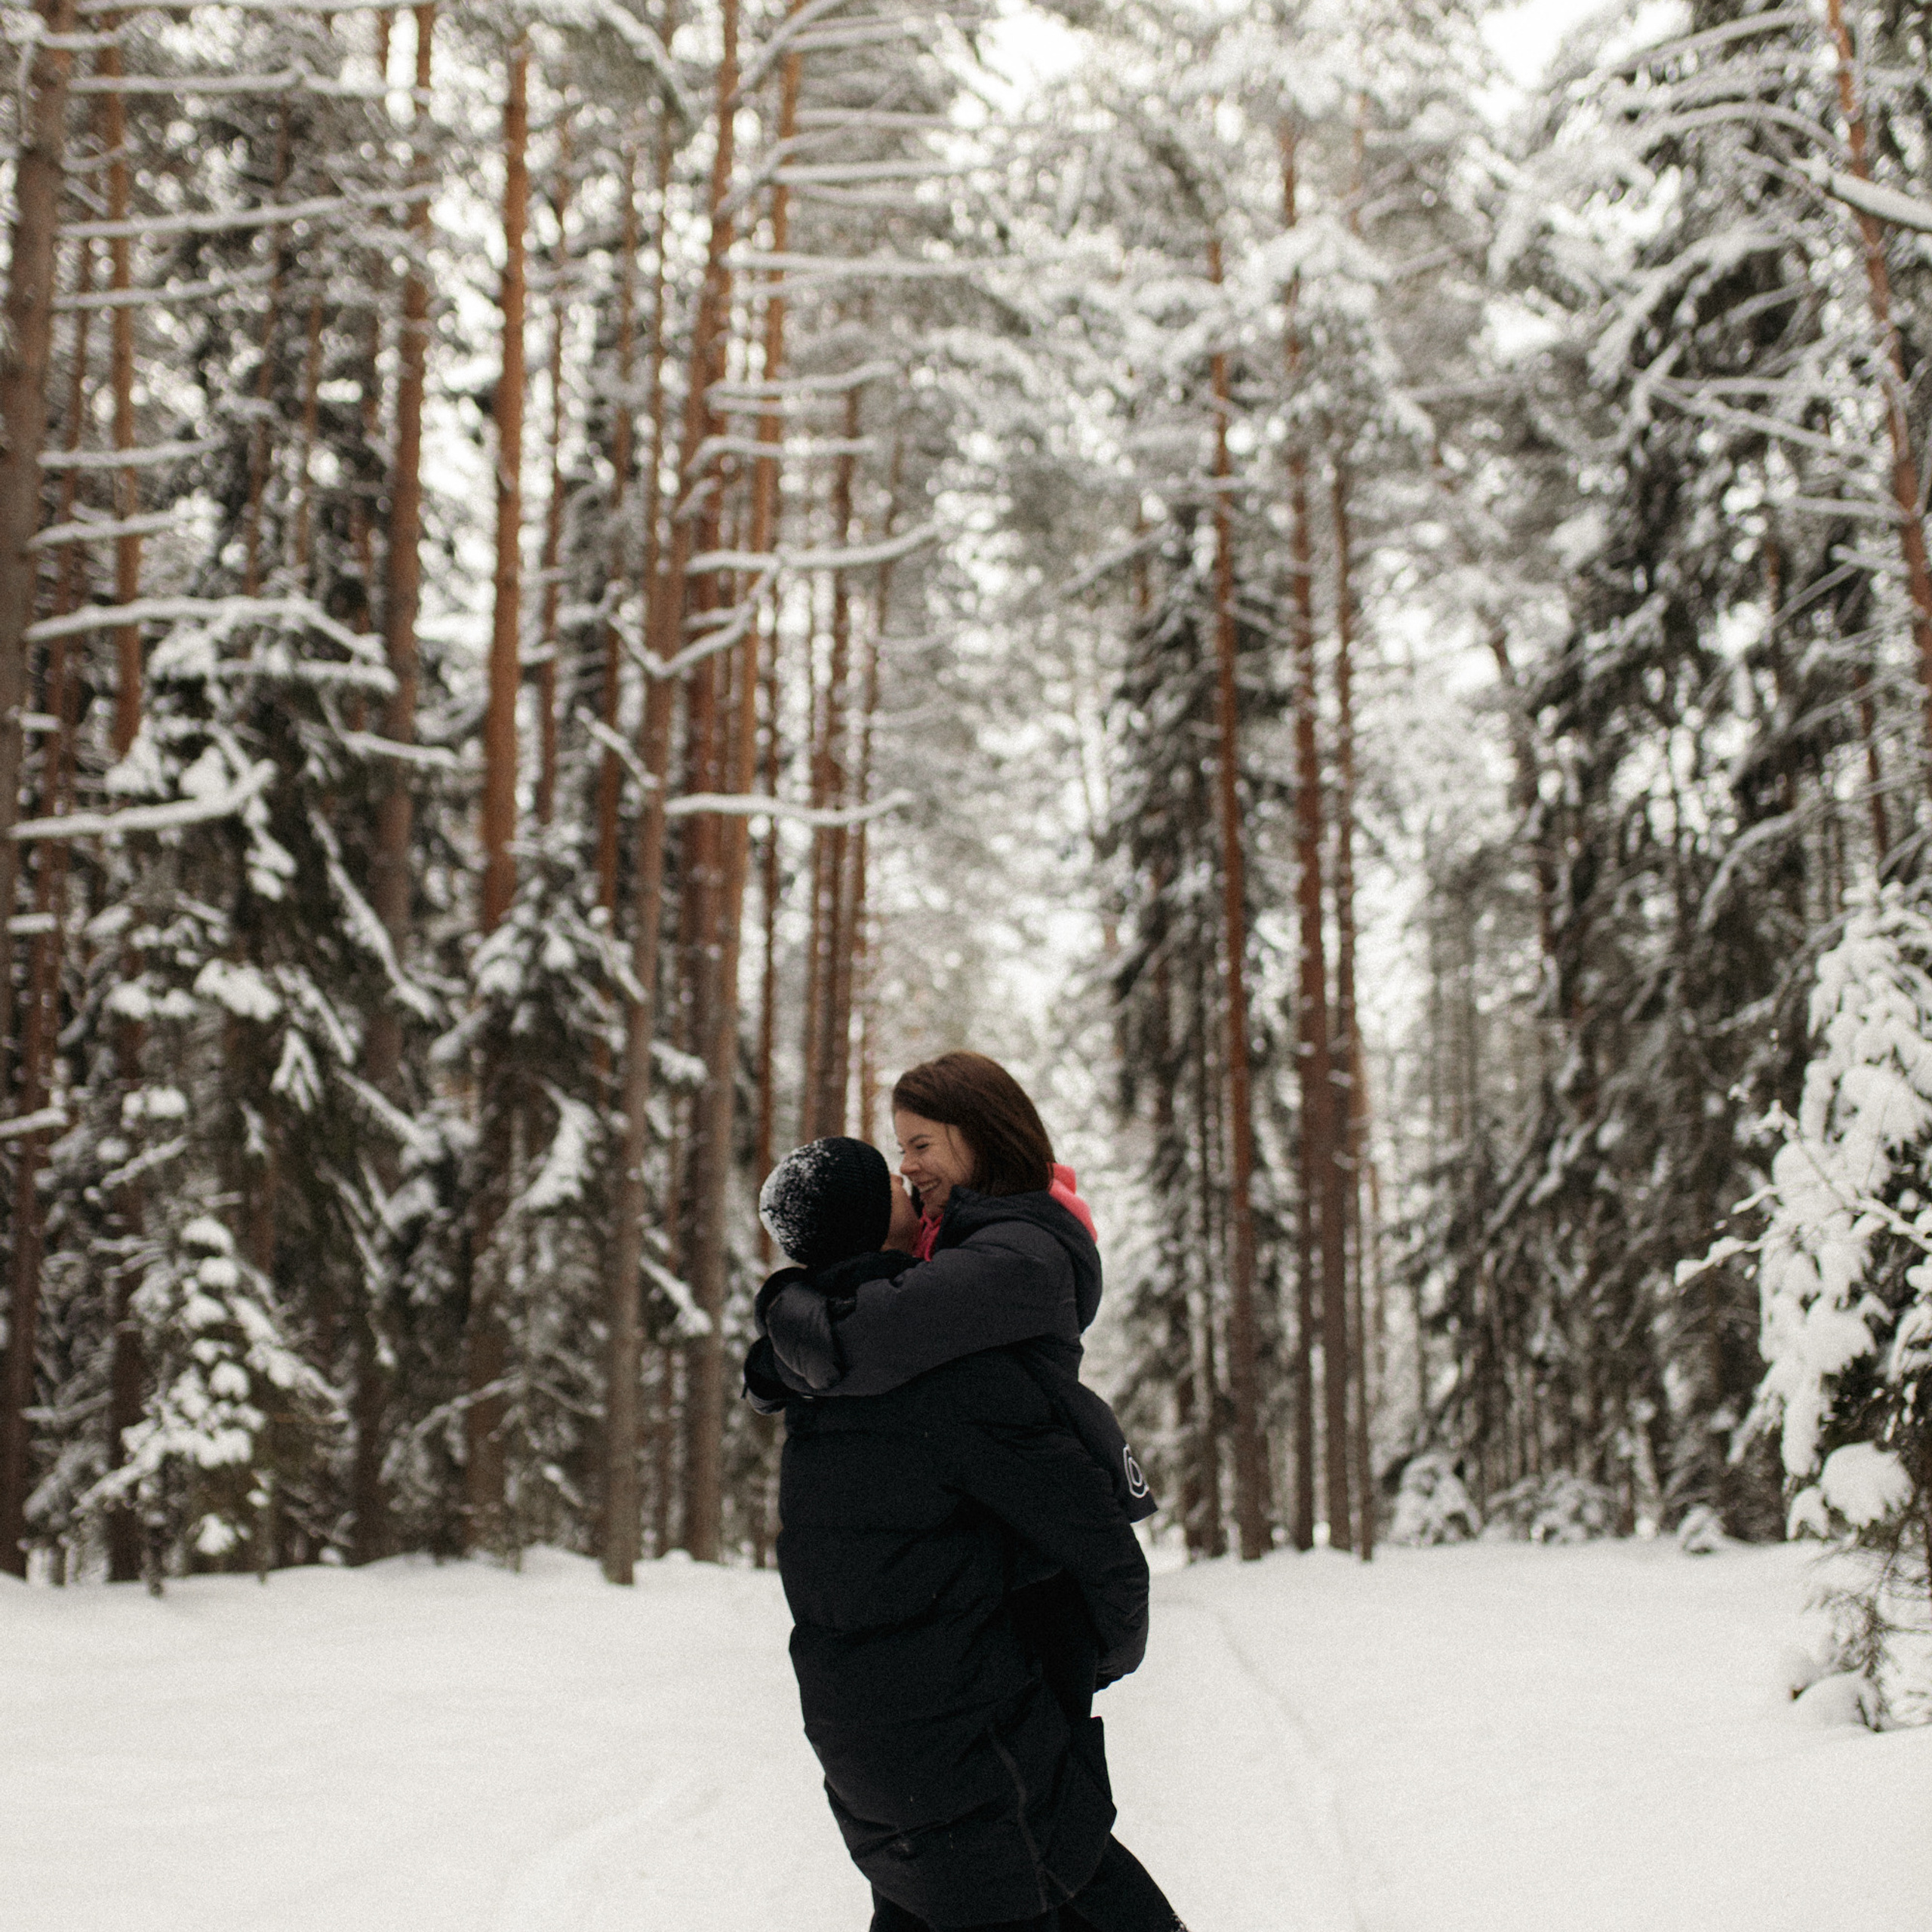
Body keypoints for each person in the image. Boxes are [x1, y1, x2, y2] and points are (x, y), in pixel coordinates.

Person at [746, 1134, 1187, 1932]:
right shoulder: (943, 1368)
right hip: (974, 1748)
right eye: (890, 1177)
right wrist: (1100, 1658)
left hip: (862, 1743)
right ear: (869, 1216)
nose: (909, 1178)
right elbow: (1093, 1539)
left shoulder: (817, 1378)